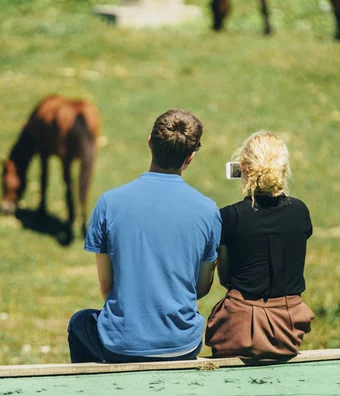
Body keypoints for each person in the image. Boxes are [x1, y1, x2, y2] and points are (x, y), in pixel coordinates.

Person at [67, 108, 221, 363]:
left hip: (120, 346)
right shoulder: (208, 210)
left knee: (80, 322)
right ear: (191, 157)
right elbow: (201, 288)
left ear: (150, 143)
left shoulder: (109, 203)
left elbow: (107, 288)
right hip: (183, 345)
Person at [205, 131, 315, 360]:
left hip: (239, 329)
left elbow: (225, 278)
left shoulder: (229, 216)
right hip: (288, 332)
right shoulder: (300, 211)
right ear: (284, 170)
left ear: (243, 169)